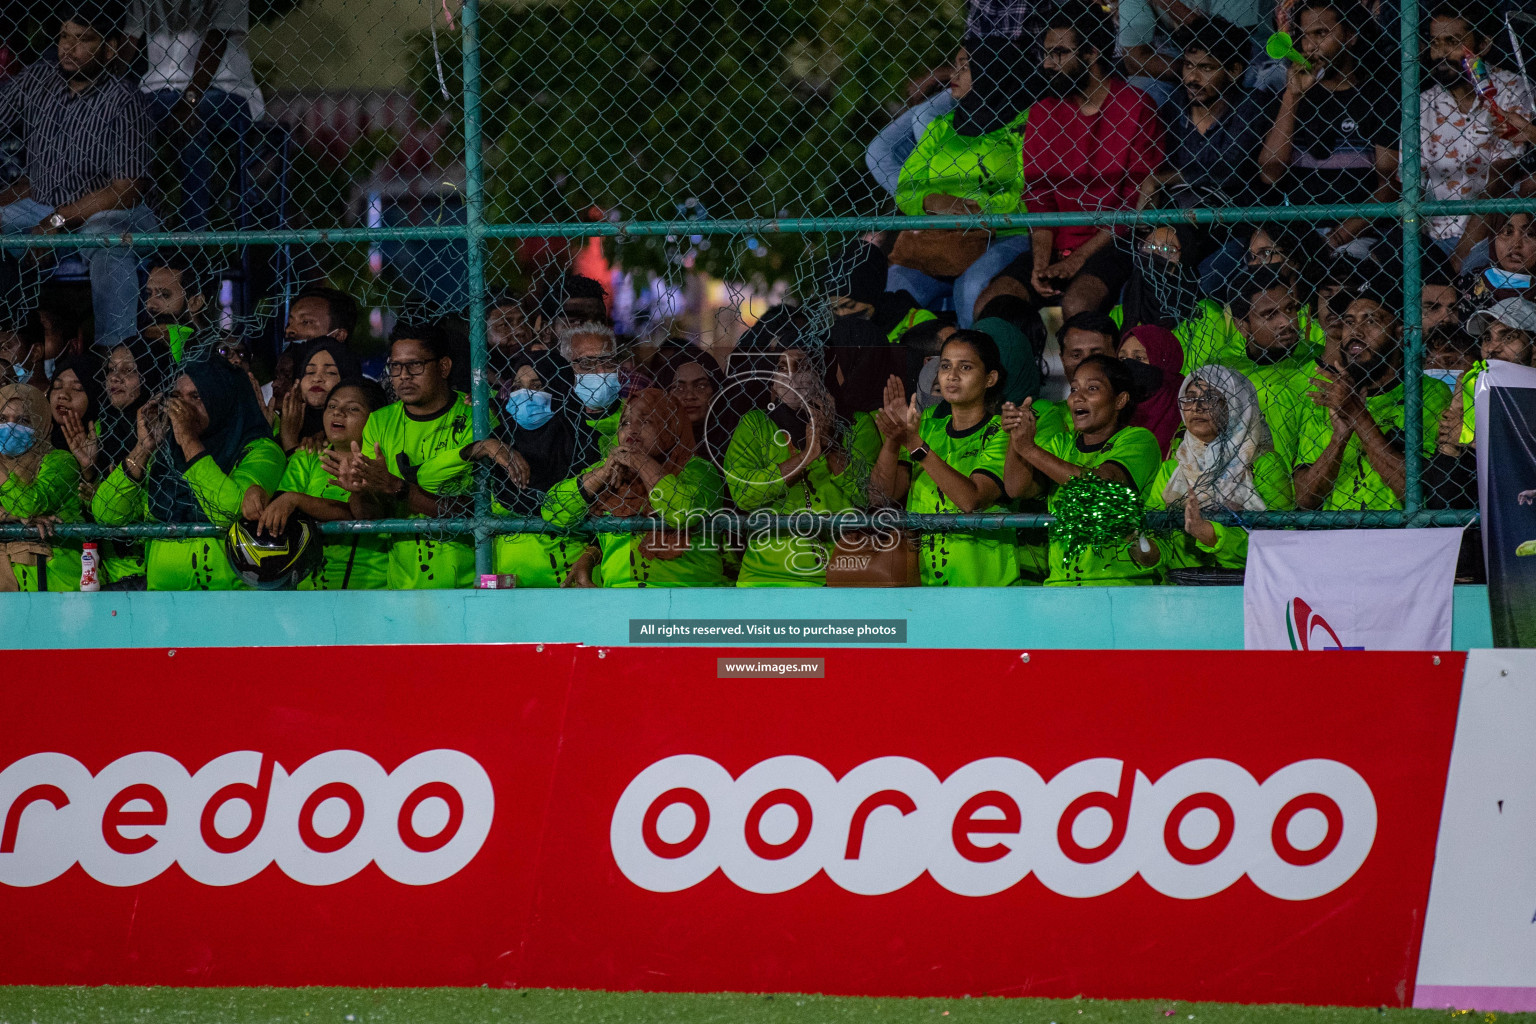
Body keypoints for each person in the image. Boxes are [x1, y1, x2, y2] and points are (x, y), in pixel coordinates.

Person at [0, 6, 157, 348]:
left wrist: (57, 220)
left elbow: (126, 191)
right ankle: (13, 341)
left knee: (106, 238)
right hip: (39, 203)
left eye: (83, 39)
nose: (68, 48)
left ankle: (114, 354)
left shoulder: (124, 99)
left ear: (110, 47)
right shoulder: (39, 79)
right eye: (64, 37)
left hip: (106, 210)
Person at [1009, 3, 1165, 319]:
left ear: (1091, 54)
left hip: (1113, 243)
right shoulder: (1043, 111)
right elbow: (1038, 199)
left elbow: (1134, 204)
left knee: (1078, 304)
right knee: (995, 299)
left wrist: (1075, 261)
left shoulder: (1136, 105)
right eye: (1046, 53)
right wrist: (1041, 264)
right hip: (1051, 242)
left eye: (1060, 53)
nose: (1048, 63)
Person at [91, 356, 285, 589]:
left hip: (229, 599)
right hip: (164, 602)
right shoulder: (165, 454)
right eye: (176, 397)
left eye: (196, 397)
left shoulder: (261, 450)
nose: (182, 408)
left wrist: (189, 441)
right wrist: (143, 448)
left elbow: (229, 512)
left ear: (222, 400)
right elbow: (106, 513)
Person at [882, 45, 1034, 328]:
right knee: (894, 288)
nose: (954, 73)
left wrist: (973, 209)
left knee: (971, 287)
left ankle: (971, 363)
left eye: (965, 65)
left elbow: (1025, 189)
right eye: (955, 64)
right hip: (945, 233)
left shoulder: (1021, 127)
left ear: (993, 71)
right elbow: (906, 187)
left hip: (1003, 231)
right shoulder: (941, 127)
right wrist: (932, 202)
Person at [328, 324, 476, 590]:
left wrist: (396, 489)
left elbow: (472, 510)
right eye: (395, 367)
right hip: (402, 587)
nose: (403, 376)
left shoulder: (475, 413)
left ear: (443, 367)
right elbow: (372, 517)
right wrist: (360, 492)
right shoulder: (380, 421)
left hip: (471, 583)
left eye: (415, 365)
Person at [870, 330, 1019, 587]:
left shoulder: (1003, 431)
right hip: (925, 587)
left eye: (966, 367)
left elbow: (971, 500)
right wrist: (893, 442)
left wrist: (915, 444)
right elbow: (880, 496)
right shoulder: (925, 427)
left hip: (987, 588)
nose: (952, 375)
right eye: (946, 366)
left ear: (990, 378)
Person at [1003, 354, 1164, 585]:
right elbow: (1016, 489)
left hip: (1121, 586)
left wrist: (1029, 450)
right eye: (1074, 389)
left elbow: (1102, 487)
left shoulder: (1138, 440)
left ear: (1120, 400)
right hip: (1062, 587)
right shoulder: (1061, 444)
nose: (1078, 397)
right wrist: (1016, 436)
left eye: (1092, 388)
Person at [725, 349, 878, 586]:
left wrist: (829, 445)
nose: (792, 377)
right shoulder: (755, 424)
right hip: (764, 577)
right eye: (781, 368)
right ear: (771, 381)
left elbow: (869, 496)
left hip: (840, 571)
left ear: (822, 372)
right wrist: (806, 456)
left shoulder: (857, 424)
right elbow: (744, 495)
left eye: (803, 367)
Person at [1258, 0, 1399, 257]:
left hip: (1360, 234)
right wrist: (1292, 96)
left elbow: (1388, 186)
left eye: (1321, 33)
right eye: (1304, 36)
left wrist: (1337, 237)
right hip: (1297, 231)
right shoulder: (1291, 98)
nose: (1310, 46)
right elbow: (1270, 173)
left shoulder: (1378, 98)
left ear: (1351, 35)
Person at [545, 388, 726, 587]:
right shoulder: (610, 470)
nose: (632, 429)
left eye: (646, 421)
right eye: (625, 423)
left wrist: (642, 463)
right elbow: (552, 511)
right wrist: (601, 475)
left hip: (684, 597)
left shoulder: (698, 470)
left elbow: (682, 513)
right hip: (620, 597)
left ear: (671, 425)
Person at [1294, 292, 1453, 510]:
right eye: (1349, 322)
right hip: (1334, 537)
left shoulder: (1428, 392)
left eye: (1371, 321)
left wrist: (1356, 414)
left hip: (1399, 537)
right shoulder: (1327, 395)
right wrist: (1339, 438)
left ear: (1400, 331)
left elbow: (1416, 492)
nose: (1356, 332)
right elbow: (1305, 500)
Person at [125, 0, 264, 233]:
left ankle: (193, 237)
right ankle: (144, 222)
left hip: (224, 89)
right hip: (158, 89)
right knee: (123, 115)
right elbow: (129, 38)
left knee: (193, 119)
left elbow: (216, 39)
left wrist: (191, 98)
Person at [1143, 365, 1295, 573]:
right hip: (1183, 588)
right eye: (1190, 398)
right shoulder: (1173, 469)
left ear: (1236, 404)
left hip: (1249, 584)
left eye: (1211, 397)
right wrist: (1137, 541)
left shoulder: (1264, 464)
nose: (1197, 407)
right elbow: (1160, 545)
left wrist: (1210, 534)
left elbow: (1283, 542)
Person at [249, 378, 390, 590]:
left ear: (376, 417)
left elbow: (364, 514)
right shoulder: (307, 457)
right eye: (332, 406)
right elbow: (281, 507)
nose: (338, 413)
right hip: (307, 591)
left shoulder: (380, 465)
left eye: (352, 408)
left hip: (368, 588)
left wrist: (297, 500)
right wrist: (257, 491)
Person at [1419, 1, 1531, 261]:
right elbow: (1413, 182)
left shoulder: (1512, 89)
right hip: (1432, 236)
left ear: (1483, 45)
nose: (1441, 53)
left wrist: (1463, 255)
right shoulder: (1423, 102)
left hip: (1495, 235)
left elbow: (1502, 175)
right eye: (1435, 43)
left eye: (1453, 41)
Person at [466, 350, 583, 588]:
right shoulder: (498, 443)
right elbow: (430, 479)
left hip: (566, 582)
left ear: (559, 390)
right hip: (502, 582)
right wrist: (478, 448)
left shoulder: (583, 445)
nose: (525, 395)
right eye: (518, 386)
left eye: (537, 386)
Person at [1144, 20, 1271, 202]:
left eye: (1206, 68)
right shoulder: (1175, 106)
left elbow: (1230, 169)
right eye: (1188, 65)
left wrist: (1162, 179)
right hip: (1180, 215)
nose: (1192, 78)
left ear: (1234, 71)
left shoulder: (1251, 106)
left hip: (1236, 215)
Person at [0, 383, 89, 590]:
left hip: (57, 583)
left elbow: (30, 504)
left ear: (43, 426)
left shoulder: (60, 461)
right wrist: (15, 517)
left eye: (23, 420)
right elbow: (23, 512)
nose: (10, 427)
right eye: (3, 419)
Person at [1119, 0, 1266, 103]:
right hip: (1179, 56)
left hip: (1250, 55)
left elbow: (1230, 45)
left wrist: (1170, 4)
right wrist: (1191, 71)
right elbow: (1134, 60)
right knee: (1137, 93)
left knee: (1252, 80)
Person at [271, 287, 359, 404]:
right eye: (290, 323)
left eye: (306, 322)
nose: (290, 330)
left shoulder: (363, 396)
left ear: (339, 335)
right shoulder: (269, 395)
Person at [275, 337, 360, 454]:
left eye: (331, 372)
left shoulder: (355, 435)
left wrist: (290, 444)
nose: (317, 379)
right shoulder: (276, 425)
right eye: (309, 371)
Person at [560, 320, 627, 463]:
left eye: (608, 361)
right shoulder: (559, 419)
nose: (601, 372)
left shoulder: (634, 413)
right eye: (586, 363)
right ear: (566, 368)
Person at [1118, 324, 1184, 455]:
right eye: (1122, 358)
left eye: (1139, 358)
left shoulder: (1187, 404)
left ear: (1165, 361)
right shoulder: (1115, 407)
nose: (1128, 365)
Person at [141, 251, 210, 361]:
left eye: (164, 295)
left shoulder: (217, 349)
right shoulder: (142, 344)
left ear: (196, 302)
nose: (150, 304)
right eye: (149, 294)